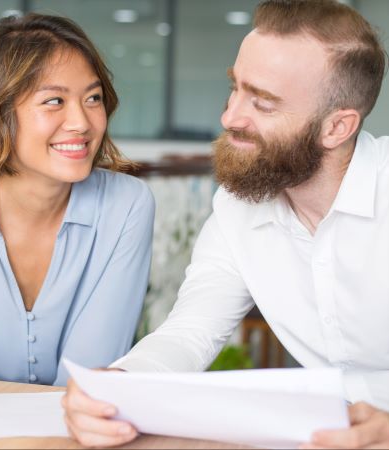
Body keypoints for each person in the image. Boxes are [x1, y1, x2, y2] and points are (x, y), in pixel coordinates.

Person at [61, 0, 389, 448]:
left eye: (264, 103)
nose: (230, 117)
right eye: (235, 88)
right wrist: (120, 386)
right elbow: (192, 330)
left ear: (336, 128)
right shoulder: (239, 207)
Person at [0, 12, 154, 406]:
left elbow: (87, 377)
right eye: (54, 101)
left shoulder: (127, 204)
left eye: (93, 98)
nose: (82, 122)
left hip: (69, 432)